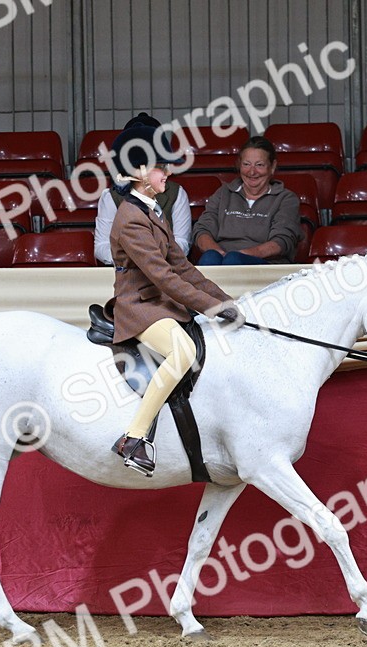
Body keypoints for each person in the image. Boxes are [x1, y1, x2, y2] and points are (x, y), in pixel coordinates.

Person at [107, 124, 245, 477]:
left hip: (160, 304)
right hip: (139, 307)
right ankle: (134, 438)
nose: (167, 173)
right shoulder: (130, 219)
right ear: (139, 173)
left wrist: (225, 300)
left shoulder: (153, 210)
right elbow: (164, 278)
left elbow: (182, 266)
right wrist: (212, 308)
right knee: (182, 349)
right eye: (160, 167)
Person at [93, 113, 192, 265]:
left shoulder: (177, 193)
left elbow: (182, 244)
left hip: (168, 269)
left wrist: (152, 258)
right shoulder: (110, 196)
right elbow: (101, 247)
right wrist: (134, 258)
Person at [192, 136, 303, 265]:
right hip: (223, 259)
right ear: (239, 166)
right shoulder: (223, 194)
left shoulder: (286, 198)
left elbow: (282, 241)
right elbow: (202, 230)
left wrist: (239, 255)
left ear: (272, 167)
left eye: (259, 165)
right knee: (209, 257)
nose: (252, 171)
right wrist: (220, 254)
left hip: (265, 265)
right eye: (246, 164)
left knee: (233, 260)